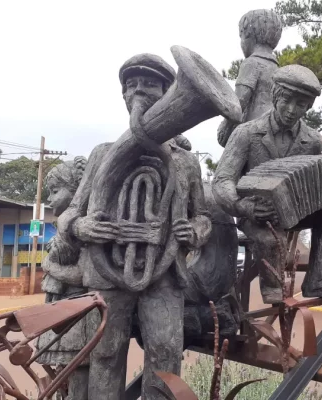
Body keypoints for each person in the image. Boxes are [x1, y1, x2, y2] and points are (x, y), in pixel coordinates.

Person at [56, 53, 211, 400]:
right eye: (132, 85)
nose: (139, 91)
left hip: (164, 273)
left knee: (166, 351)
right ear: (123, 95)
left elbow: (202, 216)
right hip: (106, 271)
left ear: (169, 93)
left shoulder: (186, 162)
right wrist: (80, 227)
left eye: (150, 84)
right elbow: (69, 214)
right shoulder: (102, 154)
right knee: (106, 353)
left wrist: (195, 232)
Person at [213, 65, 322, 304]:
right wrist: (244, 207)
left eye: (301, 105)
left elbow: (313, 181)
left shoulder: (312, 140)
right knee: (269, 238)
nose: (291, 110)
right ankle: (272, 286)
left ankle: (320, 279)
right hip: (256, 214)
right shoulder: (246, 133)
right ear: (275, 95)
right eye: (287, 100)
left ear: (308, 107)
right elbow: (222, 181)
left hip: (295, 212)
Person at [37, 156, 89, 400]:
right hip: (59, 305)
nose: (50, 199)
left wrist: (48, 265)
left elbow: (83, 275)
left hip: (76, 309)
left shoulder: (81, 227)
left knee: (77, 369)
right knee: (61, 374)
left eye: (55, 191)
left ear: (76, 189)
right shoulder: (62, 225)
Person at [217, 9, 282, 147]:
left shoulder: (251, 63)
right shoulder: (277, 68)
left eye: (241, 37)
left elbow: (239, 101)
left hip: (252, 130)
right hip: (274, 132)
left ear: (249, 36)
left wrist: (224, 128)